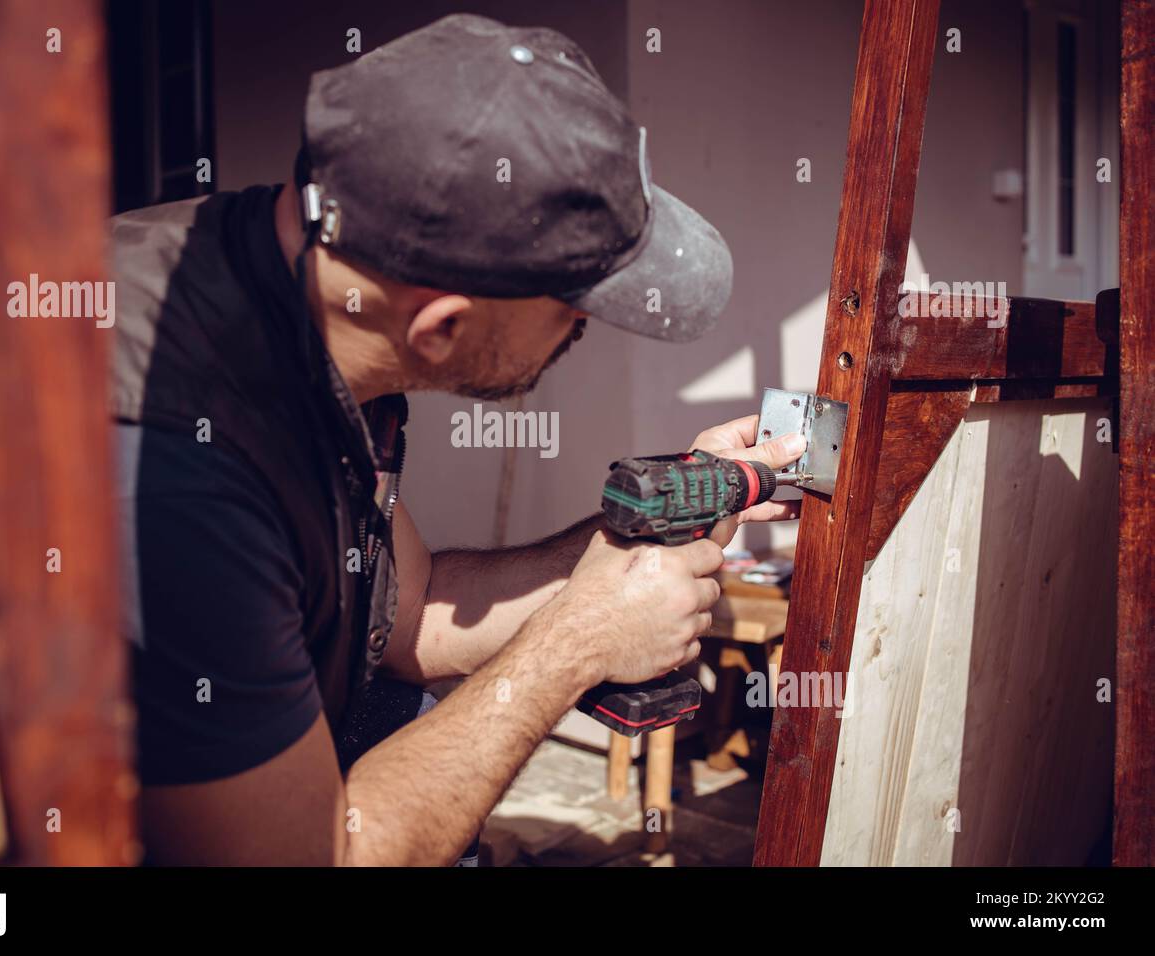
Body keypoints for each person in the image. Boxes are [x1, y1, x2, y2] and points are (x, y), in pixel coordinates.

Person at [109, 13, 804, 865]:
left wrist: (660, 518)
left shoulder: (309, 294)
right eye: (573, 314)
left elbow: (407, 614)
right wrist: (577, 644)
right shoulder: (175, 473)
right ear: (439, 327)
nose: (583, 332)